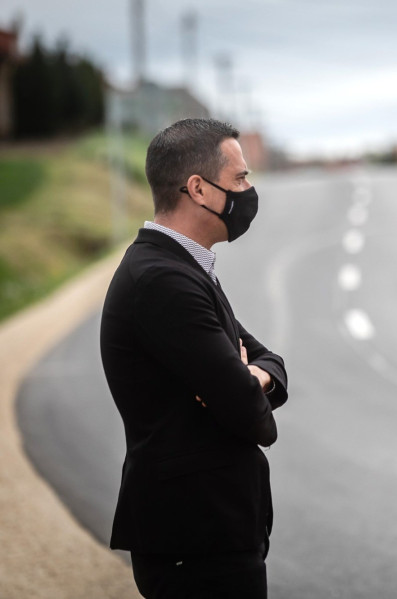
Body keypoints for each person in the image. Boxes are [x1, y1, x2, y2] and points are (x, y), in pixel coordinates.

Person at [100, 118, 289, 599]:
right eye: (241, 179)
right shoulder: (163, 281)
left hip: (211, 531)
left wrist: (254, 377)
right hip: (193, 537)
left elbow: (270, 363)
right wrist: (247, 382)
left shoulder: (182, 268)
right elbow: (254, 419)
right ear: (199, 189)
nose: (249, 191)